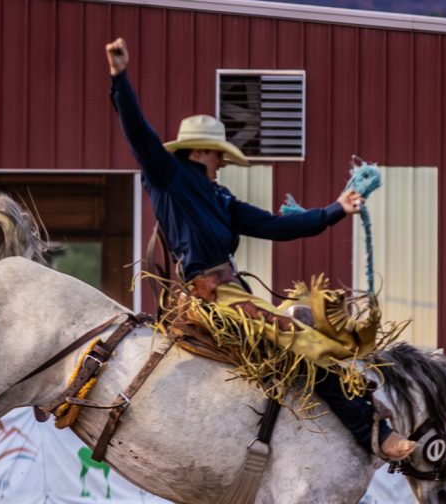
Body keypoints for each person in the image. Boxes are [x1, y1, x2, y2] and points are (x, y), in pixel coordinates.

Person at [105, 38, 416, 461]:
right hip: (212, 297)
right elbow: (138, 132)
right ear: (203, 151)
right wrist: (119, 77)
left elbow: (276, 226)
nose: (223, 163)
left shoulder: (220, 198)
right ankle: (371, 432)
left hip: (233, 294)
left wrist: (335, 209)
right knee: (303, 340)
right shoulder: (168, 177)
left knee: (313, 326)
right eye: (220, 156)